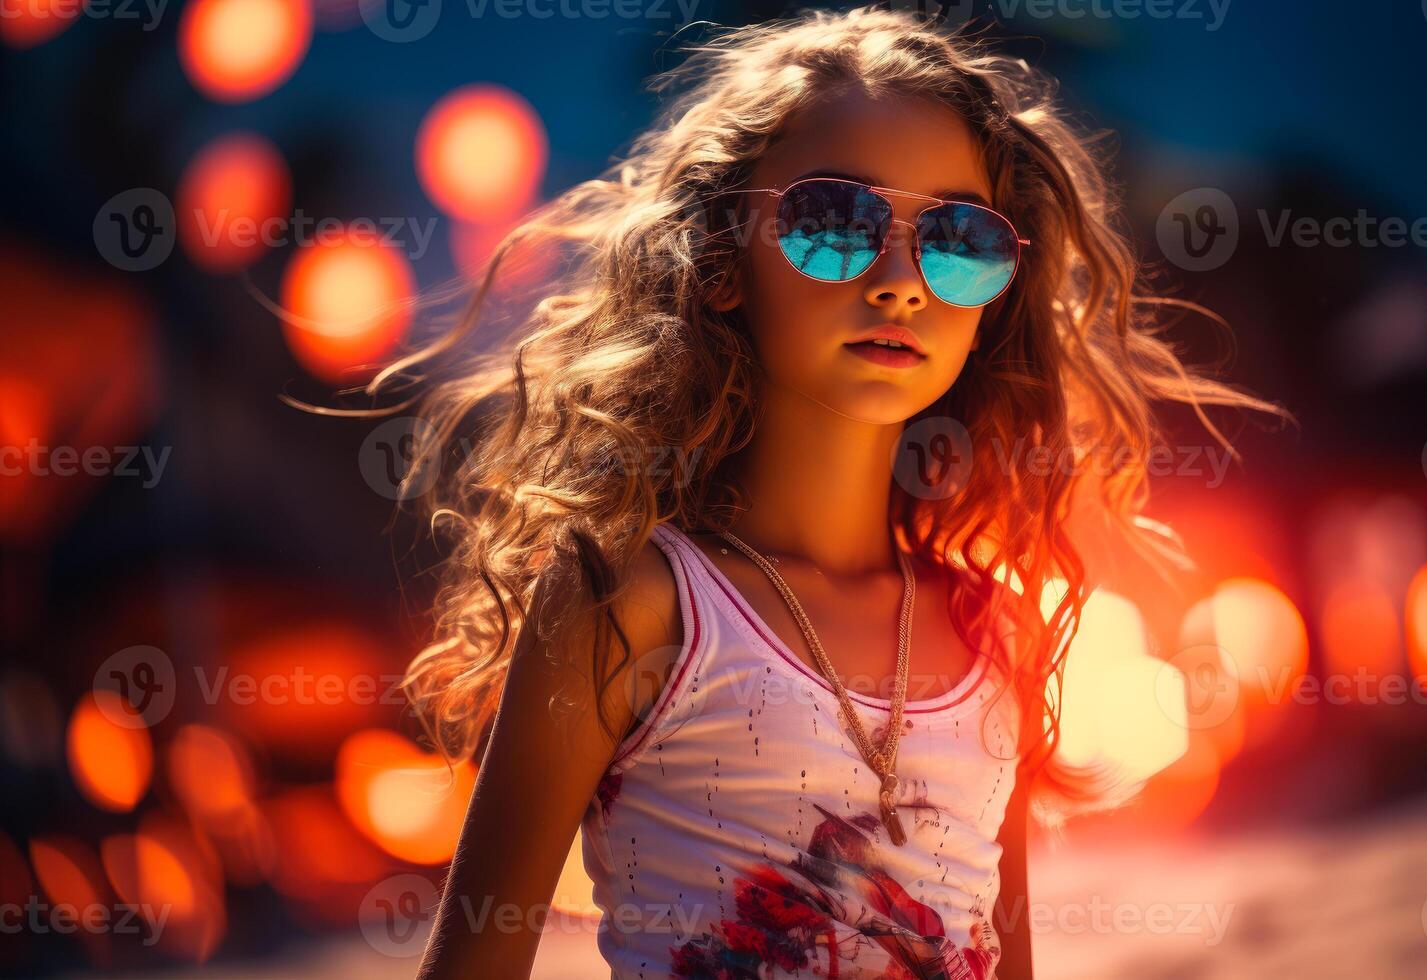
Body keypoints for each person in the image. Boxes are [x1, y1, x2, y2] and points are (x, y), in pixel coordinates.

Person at [379, 8, 1283, 977]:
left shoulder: (993, 633)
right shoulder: (631, 602)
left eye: (958, 239)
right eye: (831, 223)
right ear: (721, 262)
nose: (900, 280)